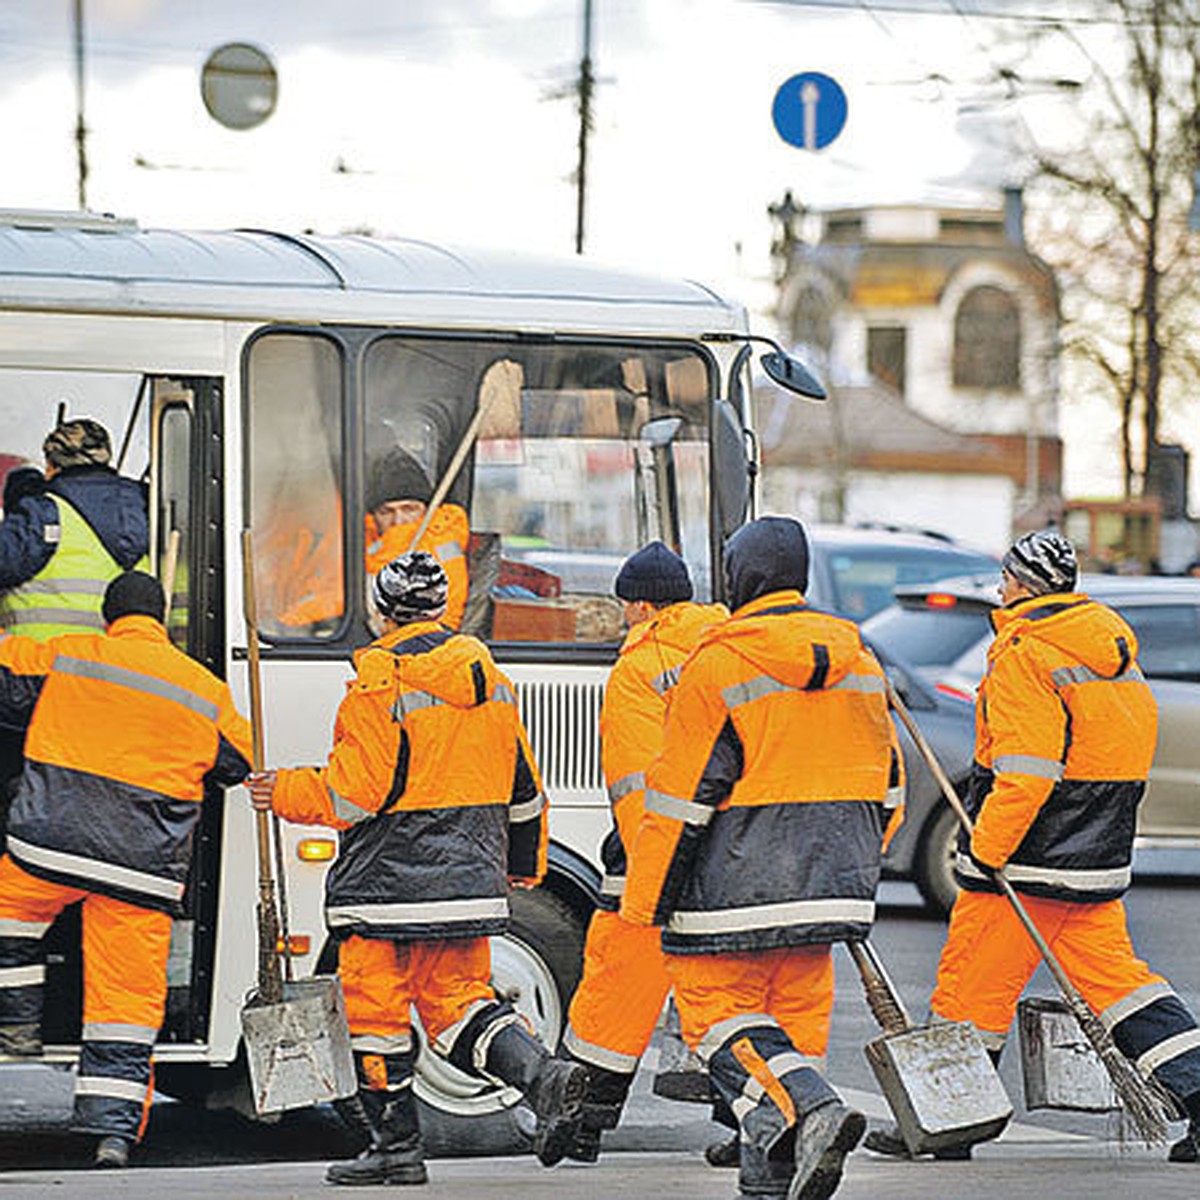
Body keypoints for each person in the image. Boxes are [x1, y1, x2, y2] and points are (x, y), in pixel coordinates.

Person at [245, 550, 586, 1187]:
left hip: (387, 890)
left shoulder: (380, 686)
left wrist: (282, 790)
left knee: (375, 1018)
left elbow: (354, 795)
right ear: (443, 608)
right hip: (467, 887)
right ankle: (543, 1077)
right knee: (459, 1006)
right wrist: (518, 867)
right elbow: (525, 790)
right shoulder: (492, 684)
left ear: (381, 612)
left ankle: (395, 1148)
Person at [870, 529, 1200, 1164]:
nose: (1000, 587)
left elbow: (1027, 774)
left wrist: (985, 854)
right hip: (1095, 858)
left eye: (1005, 577)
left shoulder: (1025, 653)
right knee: (1123, 990)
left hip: (1029, 861)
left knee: (969, 991)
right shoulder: (1110, 650)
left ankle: (948, 1123)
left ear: (1022, 584)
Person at [622, 516, 904, 1200]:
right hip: (833, 885)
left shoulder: (719, 662)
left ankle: (814, 1109)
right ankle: (770, 1177)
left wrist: (647, 901)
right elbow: (891, 784)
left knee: (718, 1016)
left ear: (739, 577)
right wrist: (851, 864)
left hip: (737, 885)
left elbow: (681, 799)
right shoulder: (860, 659)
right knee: (790, 1028)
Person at [0, 571, 252, 1168]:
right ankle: (111, 1135)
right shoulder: (203, 687)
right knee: (126, 1003)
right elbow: (237, 761)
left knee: (8, 917)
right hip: (141, 869)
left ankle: (17, 1030)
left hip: (49, 849)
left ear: (107, 617)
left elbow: (9, 672)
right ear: (162, 622)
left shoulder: (71, 654)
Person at [559, 541, 726, 1161]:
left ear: (637, 606)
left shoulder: (638, 668)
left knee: (616, 994)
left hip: (654, 861)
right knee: (731, 996)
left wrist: (653, 882)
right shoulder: (728, 645)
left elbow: (637, 786)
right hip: (731, 855)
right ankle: (751, 1126)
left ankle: (580, 1124)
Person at [0, 418, 149, 638]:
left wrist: (18, 498)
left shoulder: (42, 513)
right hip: (118, 664)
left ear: (53, 465)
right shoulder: (148, 506)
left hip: (41, 662)